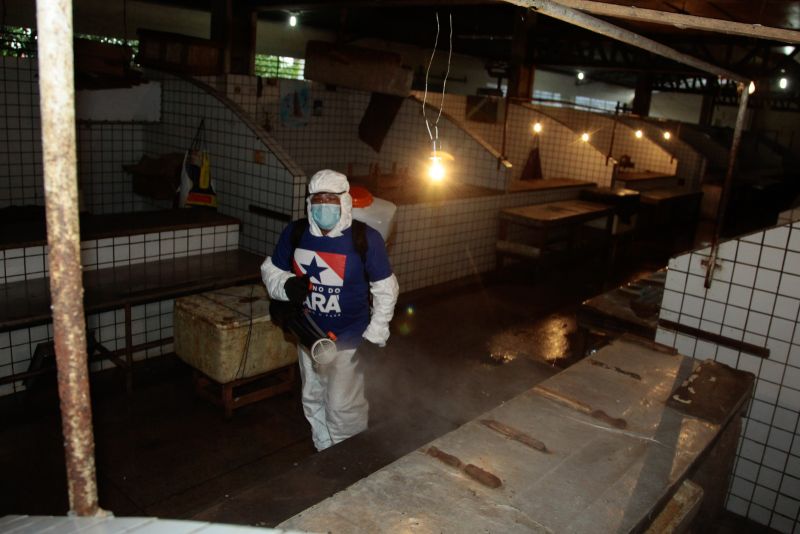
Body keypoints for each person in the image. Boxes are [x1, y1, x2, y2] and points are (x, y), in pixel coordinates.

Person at [261, 169, 399, 451]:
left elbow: (386, 289)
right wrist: (285, 286)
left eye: (332, 199)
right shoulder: (296, 233)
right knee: (312, 397)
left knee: (342, 406)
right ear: (309, 201)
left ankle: (348, 457)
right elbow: (272, 269)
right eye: (318, 199)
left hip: (350, 338)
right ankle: (324, 450)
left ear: (344, 202)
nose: (324, 206)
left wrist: (375, 335)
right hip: (309, 336)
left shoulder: (365, 238)